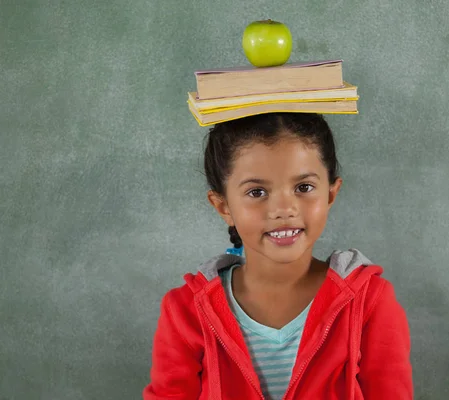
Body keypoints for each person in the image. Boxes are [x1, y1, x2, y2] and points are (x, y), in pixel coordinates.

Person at [143, 113, 413, 400]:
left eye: (303, 188)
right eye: (257, 192)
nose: (284, 208)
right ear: (223, 206)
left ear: (331, 193)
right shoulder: (185, 311)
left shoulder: (370, 303)